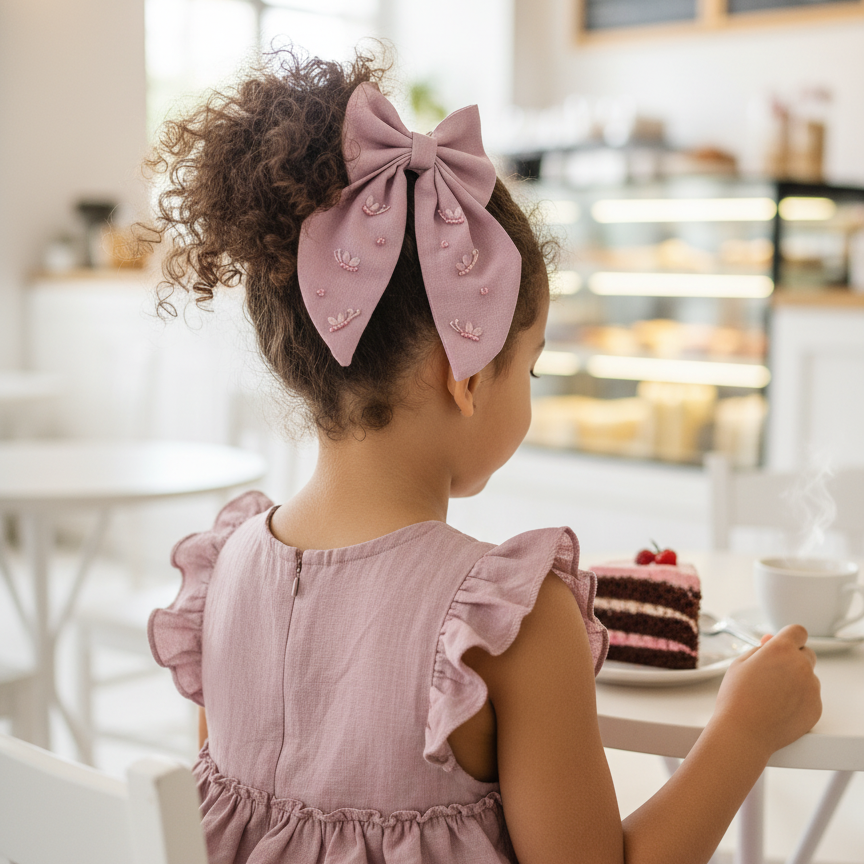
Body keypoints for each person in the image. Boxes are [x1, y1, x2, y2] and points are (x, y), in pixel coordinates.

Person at [144, 48, 821, 864]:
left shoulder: (224, 574)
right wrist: (743, 732)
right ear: (463, 376)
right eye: (527, 366)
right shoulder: (508, 625)